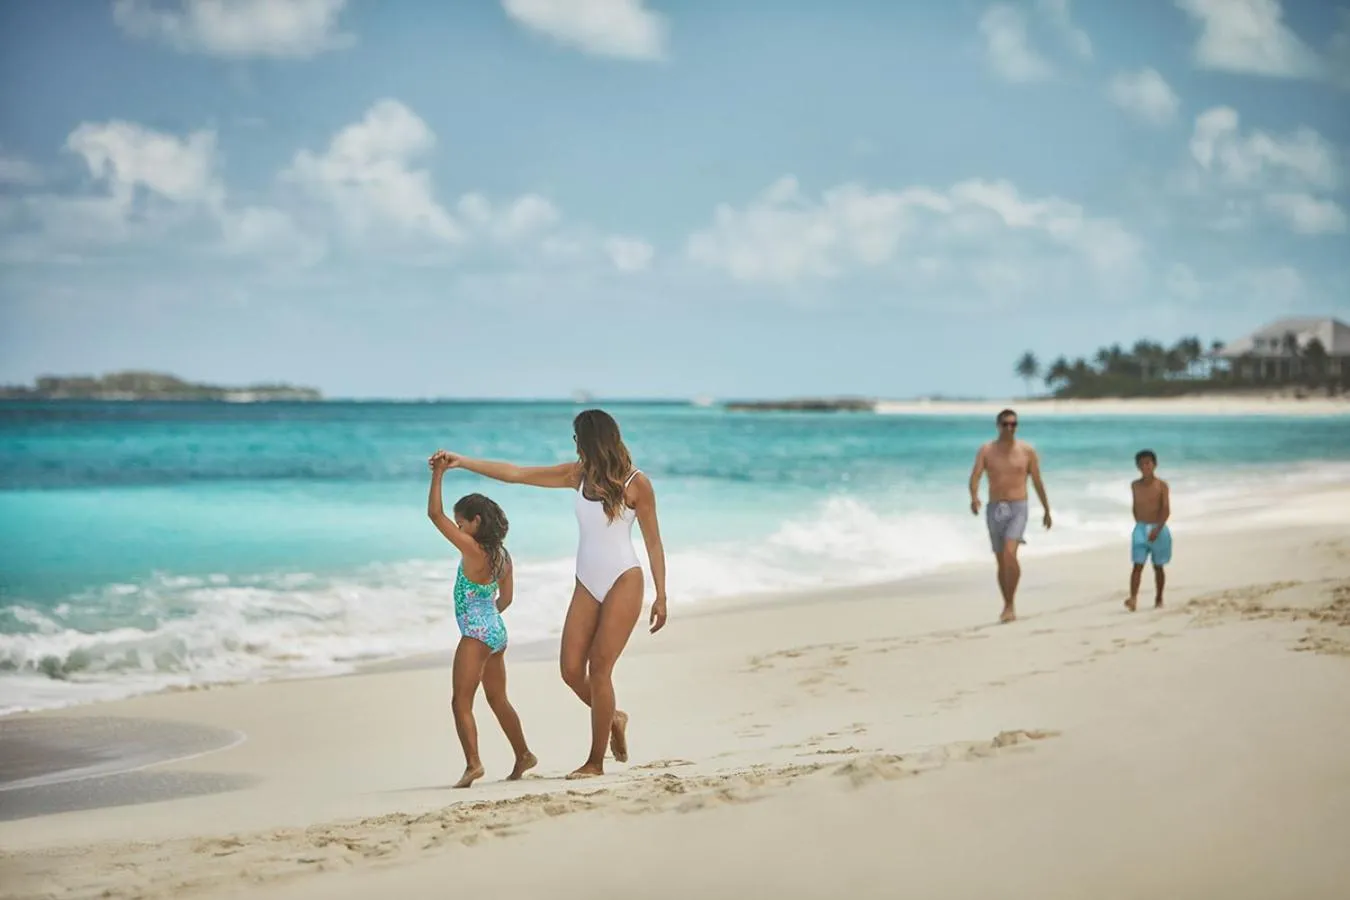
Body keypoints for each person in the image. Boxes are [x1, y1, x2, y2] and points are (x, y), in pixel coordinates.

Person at [432, 409, 668, 780]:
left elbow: (653, 542)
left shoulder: (638, 484)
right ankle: (614, 717)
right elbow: (516, 474)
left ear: (592, 440)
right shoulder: (577, 475)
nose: (575, 445)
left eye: (577, 439)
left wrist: (661, 594)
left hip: (625, 578)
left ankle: (595, 762)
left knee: (600, 668)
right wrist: (463, 462)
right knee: (572, 671)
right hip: (587, 580)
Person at [426, 455, 536, 788]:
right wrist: (488, 619)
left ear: (475, 522)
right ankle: (523, 754)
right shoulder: (503, 556)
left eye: (461, 523)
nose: (458, 529)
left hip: (476, 634)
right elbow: (507, 599)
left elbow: (434, 514)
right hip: (496, 633)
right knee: (497, 698)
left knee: (461, 701)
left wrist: (439, 474)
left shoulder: (473, 551)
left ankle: (473, 764)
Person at [968, 408, 1052, 623]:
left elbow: (1037, 481)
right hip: (995, 507)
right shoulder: (987, 450)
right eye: (1005, 424)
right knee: (1001, 561)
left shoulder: (1027, 451)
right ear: (998, 426)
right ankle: (1006, 603)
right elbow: (976, 475)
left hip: (1018, 507)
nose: (1009, 428)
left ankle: (1010, 604)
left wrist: (1046, 510)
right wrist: (974, 496)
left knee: (1009, 553)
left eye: (1013, 424)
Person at [1126, 449, 1171, 612]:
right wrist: (1139, 526)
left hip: (1158, 528)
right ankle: (1133, 598)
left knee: (1158, 566)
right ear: (1137, 466)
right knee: (1137, 565)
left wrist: (1157, 529)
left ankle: (1159, 598)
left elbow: (1166, 509)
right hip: (1140, 527)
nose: (1145, 466)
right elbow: (1136, 506)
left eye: (1148, 463)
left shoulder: (1162, 485)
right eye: (1141, 464)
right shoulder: (1135, 485)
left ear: (1155, 464)